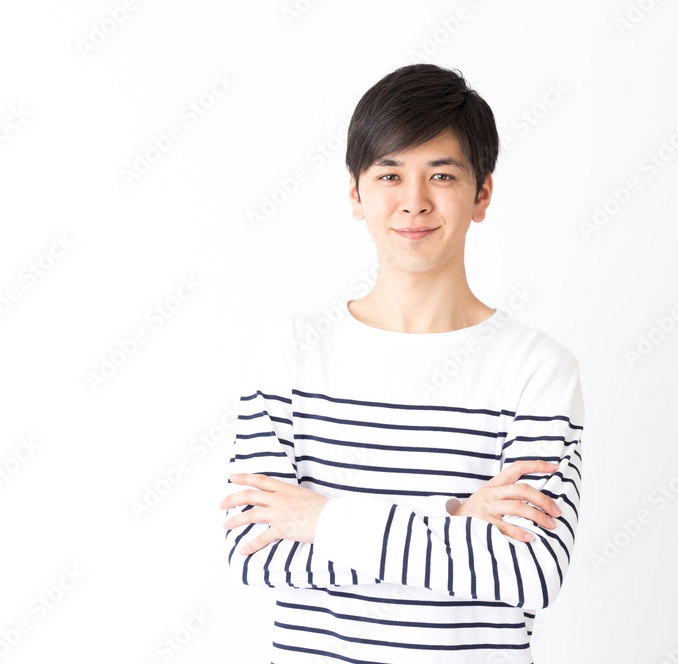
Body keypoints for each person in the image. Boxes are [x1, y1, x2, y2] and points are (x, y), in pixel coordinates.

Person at [219, 63, 584, 663]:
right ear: (357, 194)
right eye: (390, 174)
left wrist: (317, 518)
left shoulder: (537, 370)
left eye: (441, 174)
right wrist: (457, 516)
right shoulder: (289, 353)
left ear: (482, 194)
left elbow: (530, 574)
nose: (413, 201)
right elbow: (255, 552)